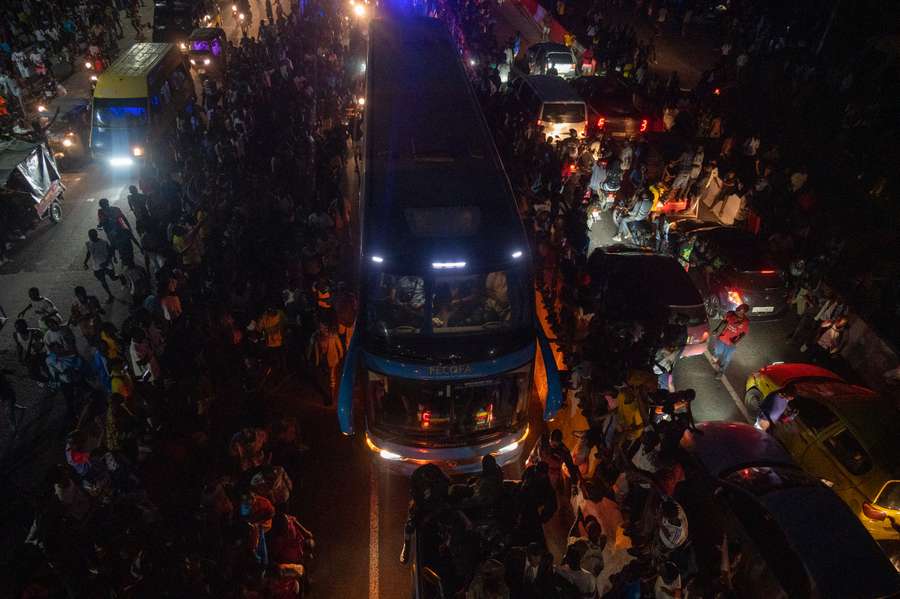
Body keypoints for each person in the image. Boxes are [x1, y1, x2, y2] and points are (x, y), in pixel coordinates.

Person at [711, 304, 749, 377]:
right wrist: (717, 329)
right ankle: (715, 362)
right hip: (722, 338)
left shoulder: (745, 322)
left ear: (743, 312)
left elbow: (743, 333)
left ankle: (720, 372)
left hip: (731, 344)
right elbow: (724, 321)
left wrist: (735, 342)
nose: (736, 310)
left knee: (726, 358)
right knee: (717, 353)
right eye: (738, 308)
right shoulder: (730, 314)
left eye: (739, 310)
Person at [83, 228, 119, 303]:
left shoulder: (104, 242)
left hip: (107, 265)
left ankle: (121, 277)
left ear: (96, 235)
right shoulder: (88, 243)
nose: (92, 237)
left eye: (93, 236)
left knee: (113, 278)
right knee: (103, 281)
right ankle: (110, 295)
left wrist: (108, 261)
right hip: (97, 267)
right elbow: (89, 253)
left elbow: (110, 252)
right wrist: (85, 262)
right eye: (91, 236)